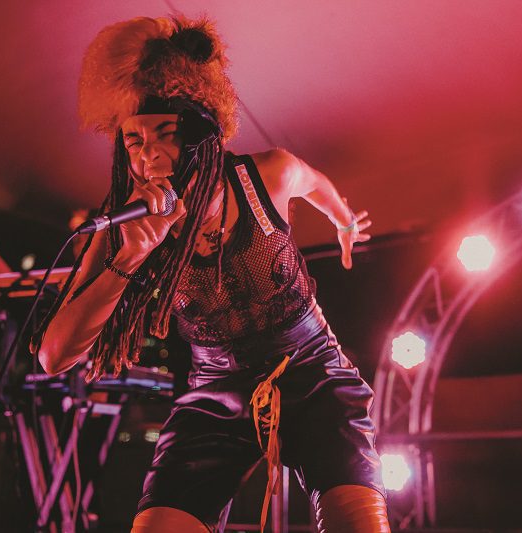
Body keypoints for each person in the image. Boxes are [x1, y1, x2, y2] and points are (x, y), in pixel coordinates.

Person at [32, 15, 389, 533]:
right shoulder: (124, 225)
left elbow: (317, 184)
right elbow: (54, 356)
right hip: (214, 388)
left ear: (204, 132)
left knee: (357, 522)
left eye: (166, 134)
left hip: (311, 368)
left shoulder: (269, 174)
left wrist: (345, 222)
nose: (149, 155)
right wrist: (127, 260)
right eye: (133, 141)